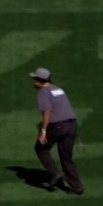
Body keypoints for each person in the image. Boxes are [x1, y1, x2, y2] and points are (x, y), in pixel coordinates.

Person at [31, 67, 83, 195]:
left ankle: (56, 174)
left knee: (41, 149)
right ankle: (77, 186)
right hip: (71, 124)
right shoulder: (58, 89)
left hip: (57, 126)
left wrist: (43, 130)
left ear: (40, 80)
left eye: (35, 79)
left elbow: (47, 112)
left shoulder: (43, 92)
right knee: (66, 157)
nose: (33, 82)